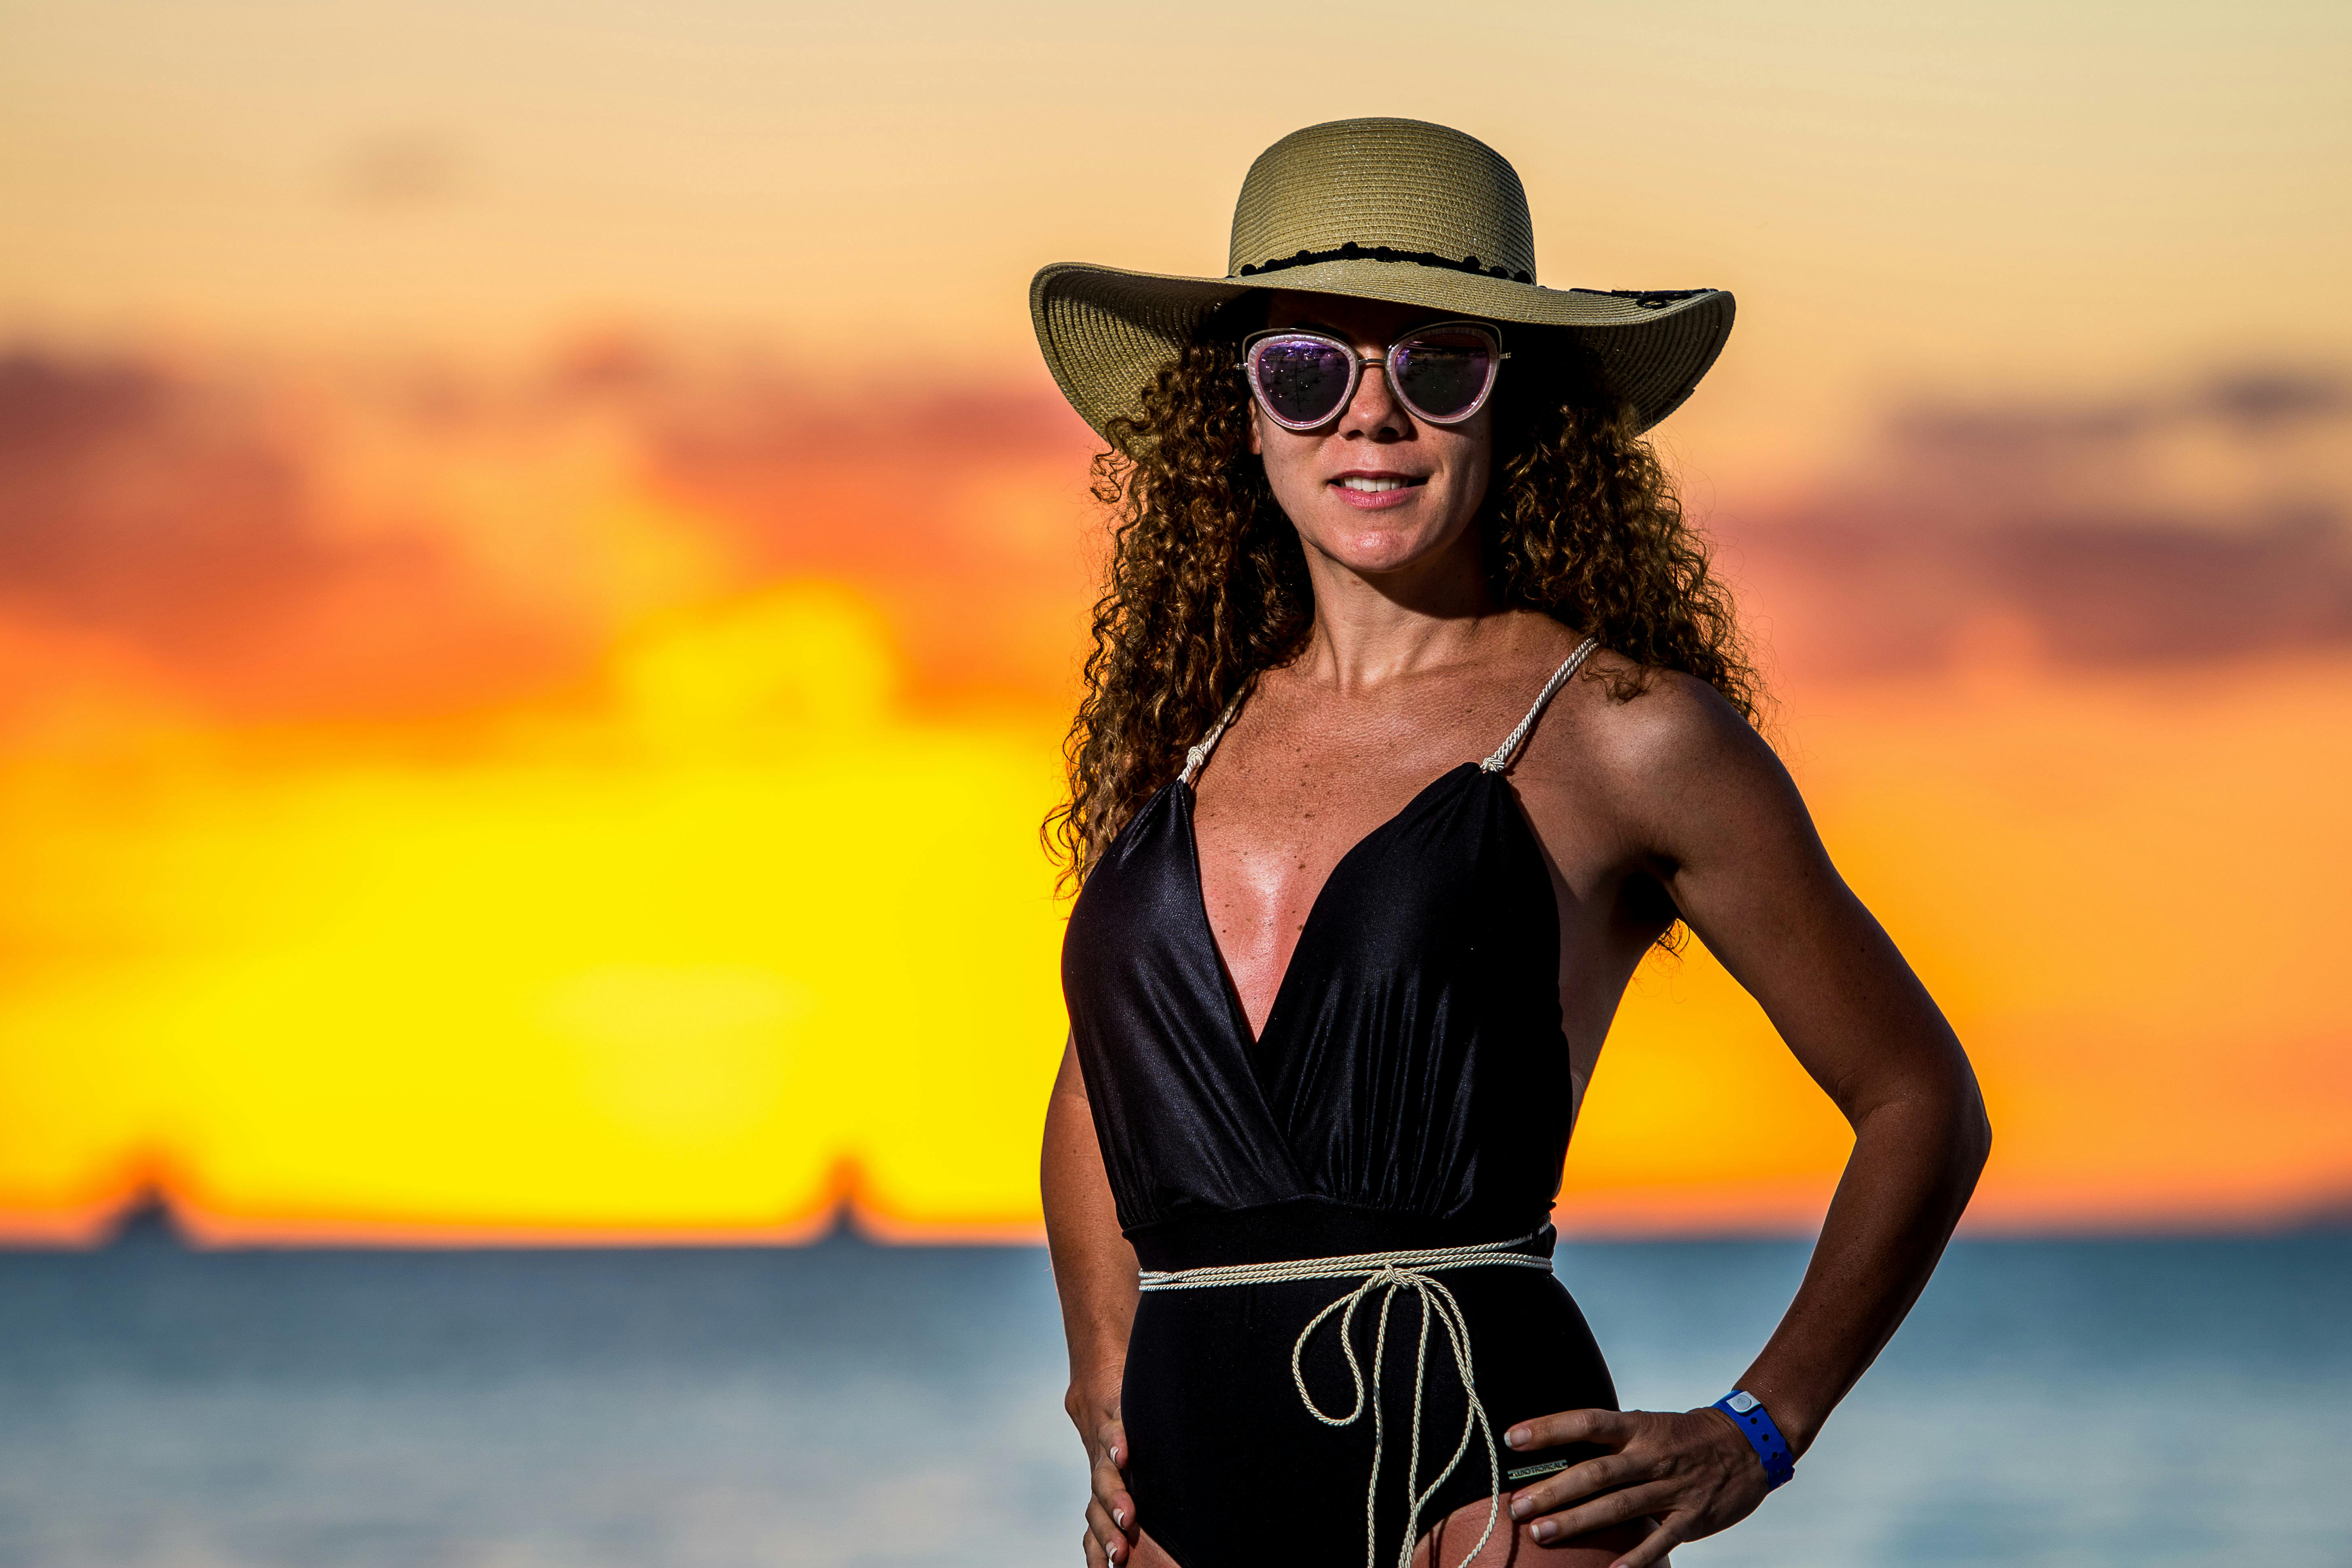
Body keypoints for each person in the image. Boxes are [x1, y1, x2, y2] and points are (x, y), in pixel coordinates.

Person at [1033, 118, 1989, 1568]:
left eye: (1435, 364)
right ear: (1239, 413)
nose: (1370, 416)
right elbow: (1105, 1086)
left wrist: (1761, 1427)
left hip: (1488, 1498)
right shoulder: (1190, 738)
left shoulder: (1623, 733)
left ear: (1511, 397)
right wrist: (1104, 1375)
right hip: (1181, 1512)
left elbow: (1921, 1097)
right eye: (1307, 369)